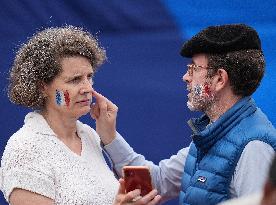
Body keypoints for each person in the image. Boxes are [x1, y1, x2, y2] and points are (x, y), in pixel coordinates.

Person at [91, 23, 276, 205]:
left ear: (220, 79)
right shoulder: (212, 134)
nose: (186, 77)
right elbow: (157, 182)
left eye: (194, 68)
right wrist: (109, 137)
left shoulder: (254, 147)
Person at [0, 25, 123, 205]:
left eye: (89, 77)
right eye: (75, 80)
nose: (88, 88)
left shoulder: (89, 135)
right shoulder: (25, 149)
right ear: (43, 86)